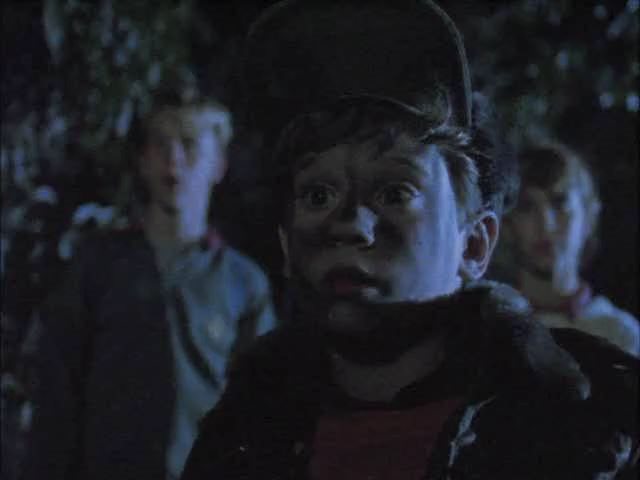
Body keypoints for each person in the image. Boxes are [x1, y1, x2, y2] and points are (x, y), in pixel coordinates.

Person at [182, 1, 638, 479]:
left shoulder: (591, 434)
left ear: (474, 245)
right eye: (318, 195)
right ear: (285, 245)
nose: (349, 225)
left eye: (395, 192)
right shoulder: (238, 444)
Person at [20, 83, 276, 480]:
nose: (174, 158)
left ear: (218, 164)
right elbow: (56, 397)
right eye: (160, 143)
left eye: (189, 144)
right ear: (143, 160)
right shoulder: (99, 265)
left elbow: (261, 412)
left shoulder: (243, 282)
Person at [494, 141, 639, 356]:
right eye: (526, 207)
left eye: (560, 203)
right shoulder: (493, 329)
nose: (546, 225)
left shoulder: (620, 334)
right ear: (507, 224)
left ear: (587, 216)